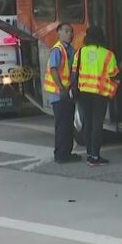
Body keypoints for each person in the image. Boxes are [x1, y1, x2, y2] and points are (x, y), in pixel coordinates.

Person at [72, 25, 119, 166]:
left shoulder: (79, 53)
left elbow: (74, 73)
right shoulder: (108, 54)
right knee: (97, 123)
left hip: (83, 93)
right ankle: (95, 156)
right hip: (100, 94)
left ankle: (89, 152)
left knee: (87, 122)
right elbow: (114, 74)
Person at [43, 23, 81, 163]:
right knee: (62, 126)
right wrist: (61, 87)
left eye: (71, 31)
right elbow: (53, 69)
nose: (69, 34)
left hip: (67, 94)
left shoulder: (70, 49)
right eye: (66, 31)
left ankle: (67, 153)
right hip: (59, 95)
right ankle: (60, 155)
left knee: (68, 125)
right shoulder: (57, 50)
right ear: (58, 33)